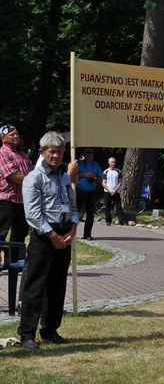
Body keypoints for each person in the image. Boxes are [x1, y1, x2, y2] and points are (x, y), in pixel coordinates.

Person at [18, 131, 78, 350]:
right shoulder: (34, 178)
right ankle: (27, 333)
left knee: (57, 285)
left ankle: (50, 329)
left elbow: (72, 206)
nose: (57, 155)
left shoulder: (63, 176)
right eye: (53, 151)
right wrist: (53, 237)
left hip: (64, 233)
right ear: (42, 152)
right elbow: (32, 214)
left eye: (60, 151)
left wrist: (72, 228)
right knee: (35, 285)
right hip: (44, 236)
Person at [0, 124, 33, 261]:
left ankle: (13, 263)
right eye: (12, 134)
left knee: (20, 233)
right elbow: (14, 176)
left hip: (23, 200)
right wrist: (34, 183)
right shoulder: (3, 153)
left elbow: (32, 173)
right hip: (7, 200)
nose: (16, 136)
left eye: (17, 133)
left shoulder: (22, 154)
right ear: (3, 137)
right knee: (1, 233)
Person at [69, 148, 103, 240]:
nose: (90, 154)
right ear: (84, 153)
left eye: (92, 152)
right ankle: (71, 233)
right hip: (79, 190)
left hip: (91, 191)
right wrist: (84, 175)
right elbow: (71, 176)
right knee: (74, 212)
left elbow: (101, 180)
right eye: (87, 152)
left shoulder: (96, 165)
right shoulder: (78, 164)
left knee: (90, 214)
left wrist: (94, 177)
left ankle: (87, 234)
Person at [102, 157, 127, 226]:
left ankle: (122, 221)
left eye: (114, 162)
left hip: (116, 192)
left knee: (118, 206)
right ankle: (108, 221)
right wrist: (109, 190)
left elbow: (120, 182)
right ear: (109, 163)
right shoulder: (105, 171)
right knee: (107, 207)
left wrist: (115, 190)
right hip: (107, 191)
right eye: (112, 162)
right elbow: (103, 183)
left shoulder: (118, 171)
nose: (113, 163)